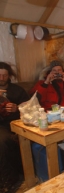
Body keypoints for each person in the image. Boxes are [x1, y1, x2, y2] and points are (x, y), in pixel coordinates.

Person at [0, 62, 30, 193]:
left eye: (4, 75)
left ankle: (20, 176)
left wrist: (17, 108)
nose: (1, 78)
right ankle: (7, 180)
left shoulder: (17, 90)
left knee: (7, 140)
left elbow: (29, 108)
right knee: (3, 141)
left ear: (9, 76)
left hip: (15, 123)